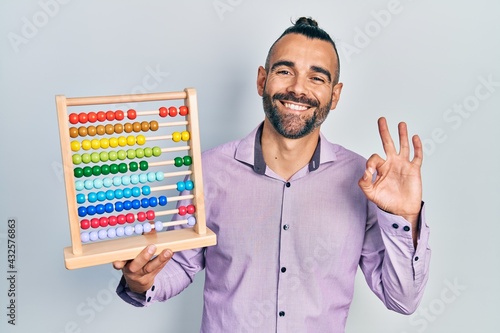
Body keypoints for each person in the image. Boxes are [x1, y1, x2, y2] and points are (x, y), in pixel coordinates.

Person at [114, 17, 431, 332]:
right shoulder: (208, 171)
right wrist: (141, 281)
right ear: (261, 80)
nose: (297, 88)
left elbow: (402, 299)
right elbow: (182, 264)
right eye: (284, 72)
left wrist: (405, 217)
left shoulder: (364, 184)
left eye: (316, 78)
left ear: (335, 95)